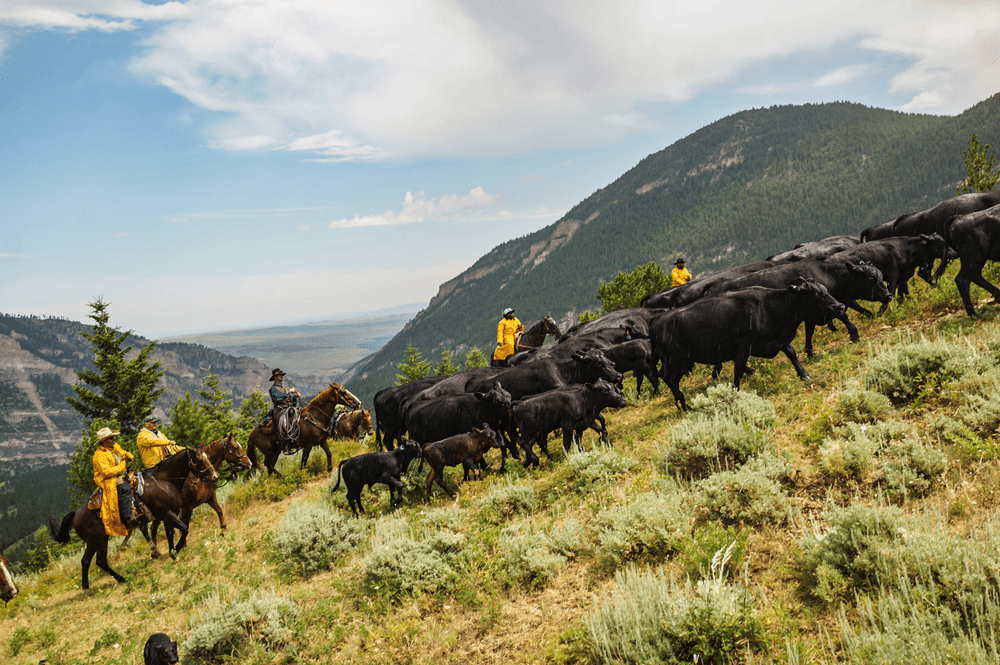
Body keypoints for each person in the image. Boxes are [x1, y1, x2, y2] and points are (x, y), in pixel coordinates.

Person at [92, 427, 137, 536]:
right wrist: (122, 467)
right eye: (111, 438)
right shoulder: (99, 456)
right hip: (108, 480)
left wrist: (127, 455)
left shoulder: (114, 447)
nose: (113, 439)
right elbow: (106, 472)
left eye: (113, 437)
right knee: (125, 488)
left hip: (118, 475)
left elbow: (122, 452)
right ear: (104, 441)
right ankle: (126, 518)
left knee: (137, 480)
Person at [261, 368, 302, 452]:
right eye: (280, 375)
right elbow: (278, 398)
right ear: (275, 377)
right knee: (284, 425)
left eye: (282, 375)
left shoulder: (283, 386)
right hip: (279, 410)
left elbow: (287, 398)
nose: (281, 376)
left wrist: (294, 396)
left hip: (287, 408)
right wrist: (288, 392)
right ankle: (285, 447)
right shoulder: (273, 389)